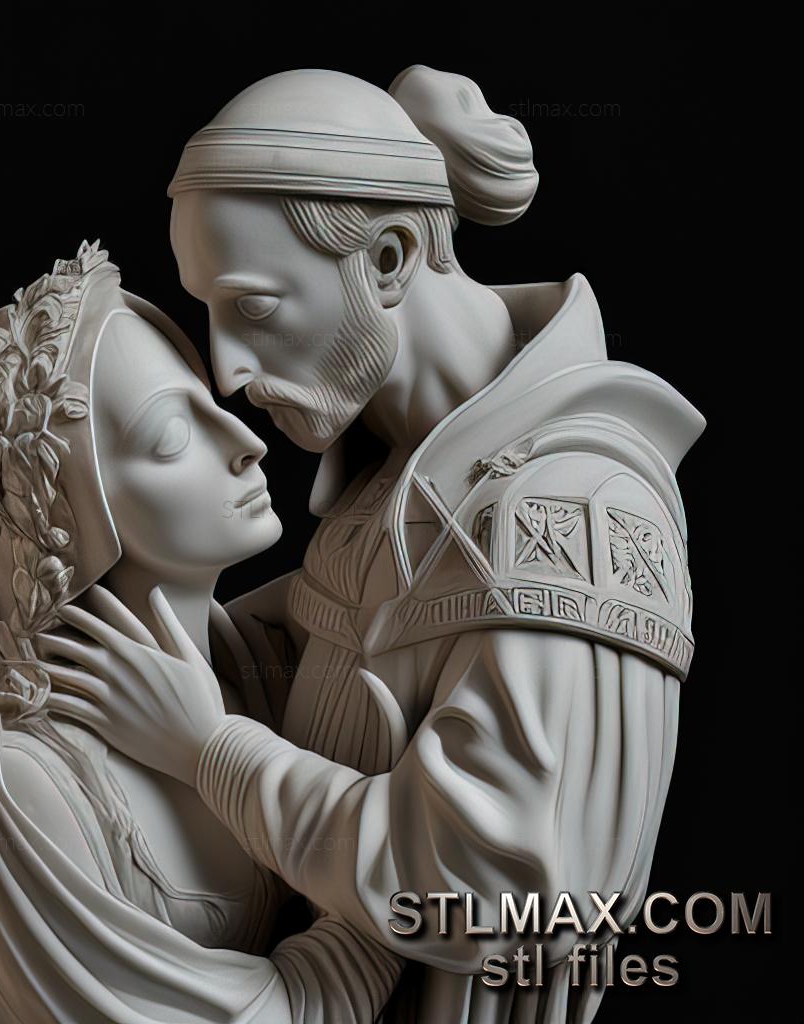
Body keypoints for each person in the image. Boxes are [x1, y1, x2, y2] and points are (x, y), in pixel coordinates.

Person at [40, 69, 706, 1023]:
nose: (225, 370)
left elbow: (486, 896)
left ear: (389, 259)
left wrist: (209, 748)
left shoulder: (578, 513)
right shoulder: (390, 479)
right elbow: (332, 668)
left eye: (254, 309)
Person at [0, 240, 401, 1024]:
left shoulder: (262, 660)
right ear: (62, 519)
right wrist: (387, 910)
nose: (246, 443)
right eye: (171, 437)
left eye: (208, 403)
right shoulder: (16, 784)